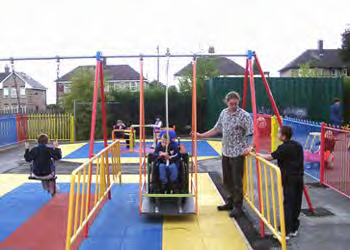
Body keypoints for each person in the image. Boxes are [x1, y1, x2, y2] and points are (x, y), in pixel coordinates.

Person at [196, 91, 253, 218]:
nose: (233, 106)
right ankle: (230, 201)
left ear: (238, 102)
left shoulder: (244, 116)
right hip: (226, 151)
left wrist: (250, 146)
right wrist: (201, 135)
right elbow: (216, 128)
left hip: (238, 152)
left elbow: (251, 132)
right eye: (231, 103)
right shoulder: (224, 113)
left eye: (235, 104)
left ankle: (238, 207)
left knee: (237, 180)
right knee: (227, 179)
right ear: (226, 102)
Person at [258, 126, 304, 238]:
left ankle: (285, 231)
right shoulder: (297, 145)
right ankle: (293, 228)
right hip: (299, 178)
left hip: (289, 179)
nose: (277, 134)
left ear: (283, 136)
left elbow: (270, 157)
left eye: (279, 133)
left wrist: (257, 154)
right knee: (296, 203)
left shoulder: (283, 148)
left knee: (288, 204)